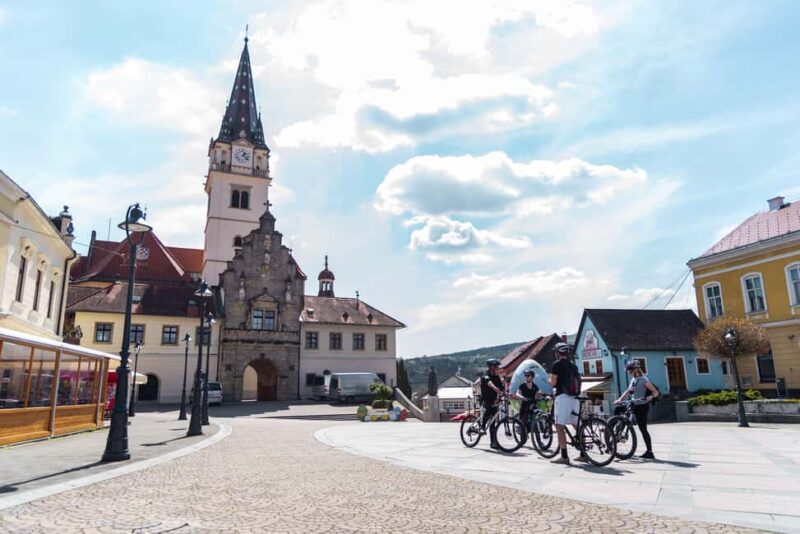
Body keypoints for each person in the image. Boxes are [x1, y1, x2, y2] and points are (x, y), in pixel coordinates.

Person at [548, 342, 587, 465]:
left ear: (558, 353)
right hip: (575, 397)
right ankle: (583, 454)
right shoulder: (573, 366)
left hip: (563, 397)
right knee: (578, 426)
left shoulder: (557, 364)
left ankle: (564, 456)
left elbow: (554, 383)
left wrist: (548, 380)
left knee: (559, 426)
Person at [615, 360, 660, 459]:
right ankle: (613, 444)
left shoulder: (644, 380)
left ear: (635, 370)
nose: (629, 373)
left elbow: (655, 392)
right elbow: (628, 391)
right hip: (633, 404)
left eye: (630, 371)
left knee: (643, 429)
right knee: (622, 422)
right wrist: (619, 399)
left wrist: (650, 397)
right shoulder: (633, 380)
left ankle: (649, 452)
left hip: (642, 406)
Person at [480, 359, 504, 449]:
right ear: (491, 367)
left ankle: (493, 442)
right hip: (486, 399)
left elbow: (501, 388)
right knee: (489, 409)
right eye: (496, 367)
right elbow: (488, 382)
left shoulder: (497, 377)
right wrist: (494, 387)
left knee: (493, 422)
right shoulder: (486, 375)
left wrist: (505, 390)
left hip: (494, 400)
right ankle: (482, 427)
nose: (498, 368)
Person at [514, 368, 539, 433]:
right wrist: (523, 398)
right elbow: (517, 394)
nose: (526, 377)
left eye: (528, 375)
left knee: (535, 423)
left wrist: (541, 397)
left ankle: (539, 441)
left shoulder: (535, 386)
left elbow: (538, 395)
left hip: (533, 406)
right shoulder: (522, 386)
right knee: (523, 423)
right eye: (525, 375)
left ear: (532, 377)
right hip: (525, 406)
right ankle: (522, 434)